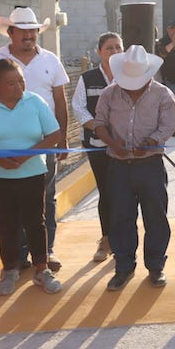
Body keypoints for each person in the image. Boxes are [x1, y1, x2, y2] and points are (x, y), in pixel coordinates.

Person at [94, 45, 175, 291]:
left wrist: (151, 142)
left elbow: (168, 126)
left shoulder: (163, 95)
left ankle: (155, 266)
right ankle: (123, 267)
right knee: (120, 216)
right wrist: (112, 143)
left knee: (156, 216)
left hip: (150, 164)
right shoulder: (109, 94)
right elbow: (99, 124)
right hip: (118, 165)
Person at [0, 6, 68, 272]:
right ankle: (18, 258)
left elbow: (60, 101)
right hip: (1, 153)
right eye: (23, 31)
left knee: (44, 202)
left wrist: (63, 140)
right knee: (9, 211)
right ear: (10, 32)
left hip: (42, 145)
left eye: (33, 30)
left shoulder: (50, 60)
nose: (29, 36)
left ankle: (45, 253)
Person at [0, 58, 62, 296]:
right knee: (6, 224)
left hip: (32, 173)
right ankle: (10, 270)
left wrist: (26, 156)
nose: (19, 87)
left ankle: (41, 270)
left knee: (35, 222)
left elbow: (54, 134)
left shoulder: (35, 102)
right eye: (11, 83)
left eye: (21, 80)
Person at [71, 32, 123, 262]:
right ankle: (107, 238)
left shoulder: (130, 76)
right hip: (98, 145)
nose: (113, 52)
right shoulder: (88, 78)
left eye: (118, 48)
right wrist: (99, 128)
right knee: (106, 191)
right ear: (99, 52)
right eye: (109, 48)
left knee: (125, 193)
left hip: (125, 146)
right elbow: (78, 107)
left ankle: (125, 240)